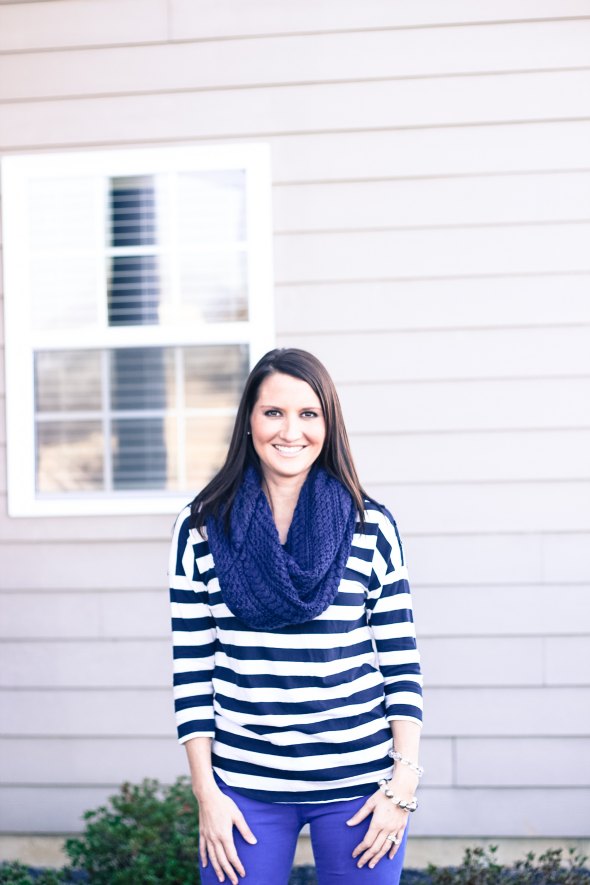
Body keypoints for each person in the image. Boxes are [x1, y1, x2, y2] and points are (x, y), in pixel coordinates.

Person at [168, 348, 423, 885]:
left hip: (360, 790)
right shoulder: (200, 530)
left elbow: (402, 667)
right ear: (249, 423)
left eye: (309, 414)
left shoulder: (370, 526)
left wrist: (402, 788)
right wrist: (206, 795)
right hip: (244, 790)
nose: (291, 430)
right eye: (273, 413)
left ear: (328, 426)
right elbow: (192, 673)